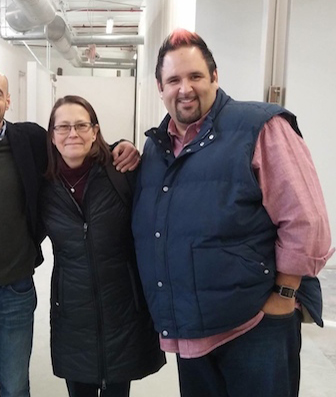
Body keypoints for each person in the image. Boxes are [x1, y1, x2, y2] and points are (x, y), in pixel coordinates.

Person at [131, 29, 334, 397]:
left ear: (215, 77)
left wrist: (284, 296)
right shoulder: (157, 147)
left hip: (254, 326)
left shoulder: (260, 127)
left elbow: (308, 222)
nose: (185, 89)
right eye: (174, 80)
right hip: (190, 329)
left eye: (195, 76)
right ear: (160, 88)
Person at [0, 66, 139, 397]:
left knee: (15, 387)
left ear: (8, 99)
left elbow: (78, 150)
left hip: (15, 291)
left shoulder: (31, 140)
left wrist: (124, 145)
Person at [39, 95, 165, 397]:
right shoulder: (42, 185)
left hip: (122, 304)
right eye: (64, 127)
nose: (73, 134)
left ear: (95, 131)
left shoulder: (122, 172)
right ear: (52, 135)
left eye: (82, 125)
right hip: (72, 309)